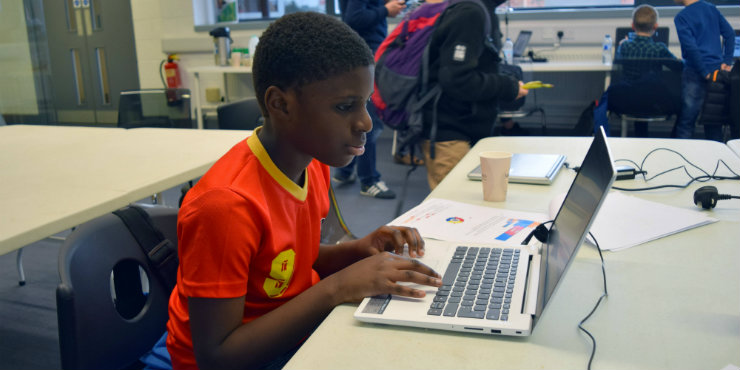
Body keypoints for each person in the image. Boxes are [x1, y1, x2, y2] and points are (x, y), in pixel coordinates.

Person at [165, 12, 442, 369]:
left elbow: (291, 262)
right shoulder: (226, 206)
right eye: (345, 107)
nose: (366, 123)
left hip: (289, 329)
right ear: (280, 104)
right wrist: (338, 287)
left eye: (365, 102)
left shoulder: (313, 164)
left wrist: (358, 251)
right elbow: (218, 356)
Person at [419, 0, 527, 190]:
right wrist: (506, 86)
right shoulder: (470, 13)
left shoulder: (483, 10)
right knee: (451, 212)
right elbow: (456, 79)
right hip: (450, 134)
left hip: (469, 130)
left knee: (469, 210)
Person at [332, 0, 406, 199]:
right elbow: (354, 18)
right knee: (370, 119)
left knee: (356, 114)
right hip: (365, 54)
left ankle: (346, 171)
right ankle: (369, 180)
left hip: (363, 53)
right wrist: (386, 10)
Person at [612, 4, 678, 137]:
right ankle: (676, 140)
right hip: (652, 101)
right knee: (685, 107)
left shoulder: (624, 47)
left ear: (632, 26)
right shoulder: (659, 49)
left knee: (637, 92)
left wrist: (621, 45)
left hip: (628, 101)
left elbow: (618, 58)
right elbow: (678, 67)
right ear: (655, 27)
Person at [672, 0, 735, 141]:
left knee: (687, 121)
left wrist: (703, 70)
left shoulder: (681, 17)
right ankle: (716, 159)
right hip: (717, 72)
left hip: (695, 71)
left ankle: (682, 156)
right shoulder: (711, 8)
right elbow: (730, 34)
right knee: (713, 122)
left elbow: (691, 48)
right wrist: (727, 61)